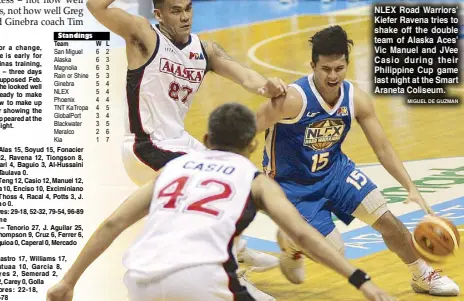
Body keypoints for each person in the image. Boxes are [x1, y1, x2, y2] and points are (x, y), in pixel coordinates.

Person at [46, 103, 395, 301]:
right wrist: (361, 280)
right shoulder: (253, 178)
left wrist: (68, 281)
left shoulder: (172, 168)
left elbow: (112, 224)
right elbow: (303, 236)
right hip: (202, 280)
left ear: (206, 139)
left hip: (139, 280)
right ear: (252, 146)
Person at [86, 0, 284, 288]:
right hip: (145, 145)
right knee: (205, 191)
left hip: (180, 143)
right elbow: (96, 6)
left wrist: (268, 86)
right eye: (176, 11)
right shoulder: (144, 35)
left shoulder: (205, 50)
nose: (185, 16)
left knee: (236, 176)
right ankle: (230, 276)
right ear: (159, 14)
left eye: (188, 8)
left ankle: (236, 250)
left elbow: (246, 77)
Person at [256, 25, 460, 296]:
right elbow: (246, 129)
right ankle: (291, 242)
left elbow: (383, 148)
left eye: (339, 69)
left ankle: (422, 273)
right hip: (292, 185)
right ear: (312, 65)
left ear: (347, 65)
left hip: (334, 172)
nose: (332, 76)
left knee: (386, 218)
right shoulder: (292, 99)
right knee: (335, 251)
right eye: (325, 69)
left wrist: (410, 187)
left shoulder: (355, 99)